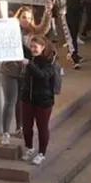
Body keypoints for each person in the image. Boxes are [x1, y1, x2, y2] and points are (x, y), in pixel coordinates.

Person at [21, 35, 60, 166]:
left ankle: (41, 153)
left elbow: (42, 75)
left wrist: (30, 64)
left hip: (43, 101)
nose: (32, 49)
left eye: (35, 47)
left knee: (42, 127)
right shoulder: (30, 58)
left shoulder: (49, 61)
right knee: (26, 127)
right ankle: (29, 147)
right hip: (27, 99)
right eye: (31, 47)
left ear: (42, 47)